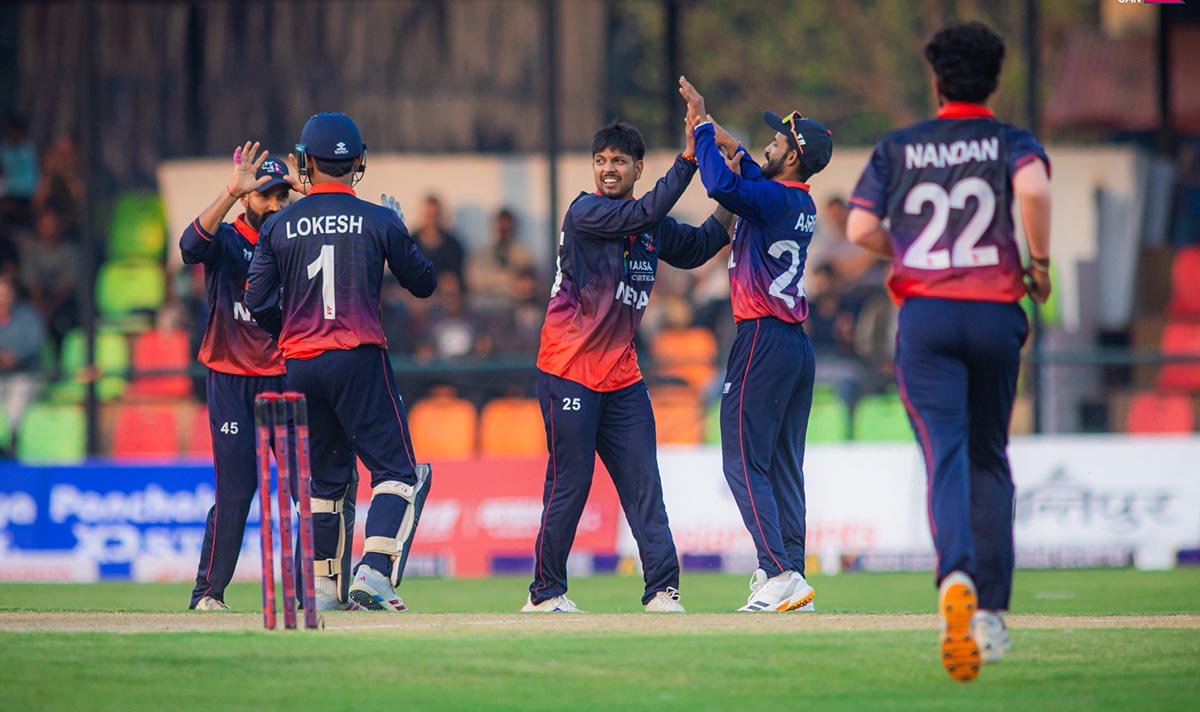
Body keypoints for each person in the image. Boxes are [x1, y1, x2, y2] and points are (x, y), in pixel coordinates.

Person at [846, 21, 1052, 682]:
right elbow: (1035, 190)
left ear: (936, 81)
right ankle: (989, 614)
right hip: (995, 313)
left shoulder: (899, 146)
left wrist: (908, 251)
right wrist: (1039, 263)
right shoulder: (1012, 140)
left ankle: (955, 576)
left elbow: (860, 226)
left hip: (927, 317)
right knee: (990, 455)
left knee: (946, 454)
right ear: (994, 82)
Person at [525, 119, 733, 614]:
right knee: (570, 485)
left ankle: (662, 590)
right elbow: (647, 211)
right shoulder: (585, 212)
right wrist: (689, 159)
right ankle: (546, 593)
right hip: (568, 371)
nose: (608, 169)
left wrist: (735, 192)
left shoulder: (649, 226)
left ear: (638, 168)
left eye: (619, 161)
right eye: (601, 161)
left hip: (621, 378)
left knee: (644, 485)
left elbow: (702, 245)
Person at [246, 112, 437, 613]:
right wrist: (399, 232)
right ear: (357, 162)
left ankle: (324, 592)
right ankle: (373, 572)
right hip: (358, 358)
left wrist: (291, 331)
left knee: (326, 484)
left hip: (300, 365)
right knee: (399, 472)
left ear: (306, 162)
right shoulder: (378, 219)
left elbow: (257, 300)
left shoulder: (278, 223)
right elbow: (423, 283)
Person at [180, 142, 359, 611]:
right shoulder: (226, 239)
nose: (276, 205)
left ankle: (308, 594)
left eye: (283, 196)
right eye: (265, 196)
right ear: (247, 198)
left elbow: (345, 242)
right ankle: (208, 594)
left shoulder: (298, 238)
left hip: (286, 378)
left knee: (311, 494)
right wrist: (230, 191)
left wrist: (311, 193)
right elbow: (188, 248)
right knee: (237, 492)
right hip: (231, 379)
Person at [679, 76, 832, 613]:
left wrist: (701, 129)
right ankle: (793, 575)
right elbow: (750, 176)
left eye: (776, 142)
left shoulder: (772, 198)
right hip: (794, 344)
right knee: (784, 466)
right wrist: (731, 143)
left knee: (742, 462)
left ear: (792, 157)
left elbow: (722, 186)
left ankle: (779, 571)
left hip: (762, 336)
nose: (768, 145)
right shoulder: (794, 199)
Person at [0, 273, 44, 455]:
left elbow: (34, 343)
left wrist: (16, 357)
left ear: (13, 294)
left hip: (25, 374)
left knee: (17, 397)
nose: (3, 299)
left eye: (6, 294)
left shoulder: (27, 316)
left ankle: (10, 444)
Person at [412, 194, 467, 288]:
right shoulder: (410, 243)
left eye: (435, 215)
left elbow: (459, 279)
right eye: (428, 215)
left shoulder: (453, 245)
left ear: (441, 215)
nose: (432, 220)